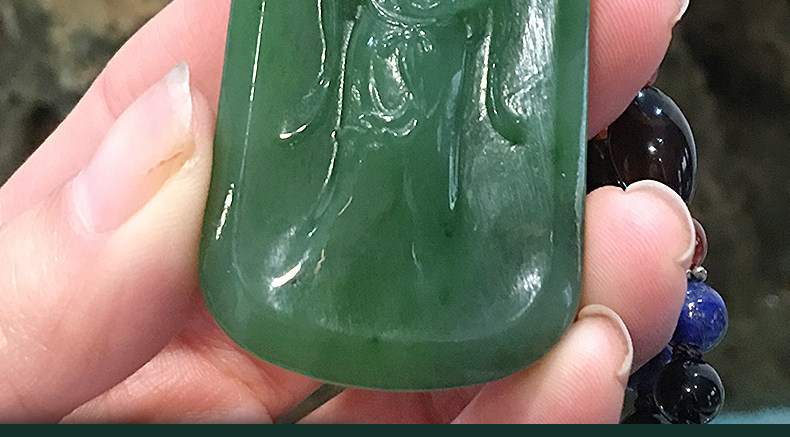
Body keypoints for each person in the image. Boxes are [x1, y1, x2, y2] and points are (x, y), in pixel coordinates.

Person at [0, 0, 694, 423]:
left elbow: (499, 53)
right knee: (364, 179)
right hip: (378, 71)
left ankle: (409, 256)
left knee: (422, 184)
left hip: (435, 76)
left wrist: (499, 102)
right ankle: (332, 245)